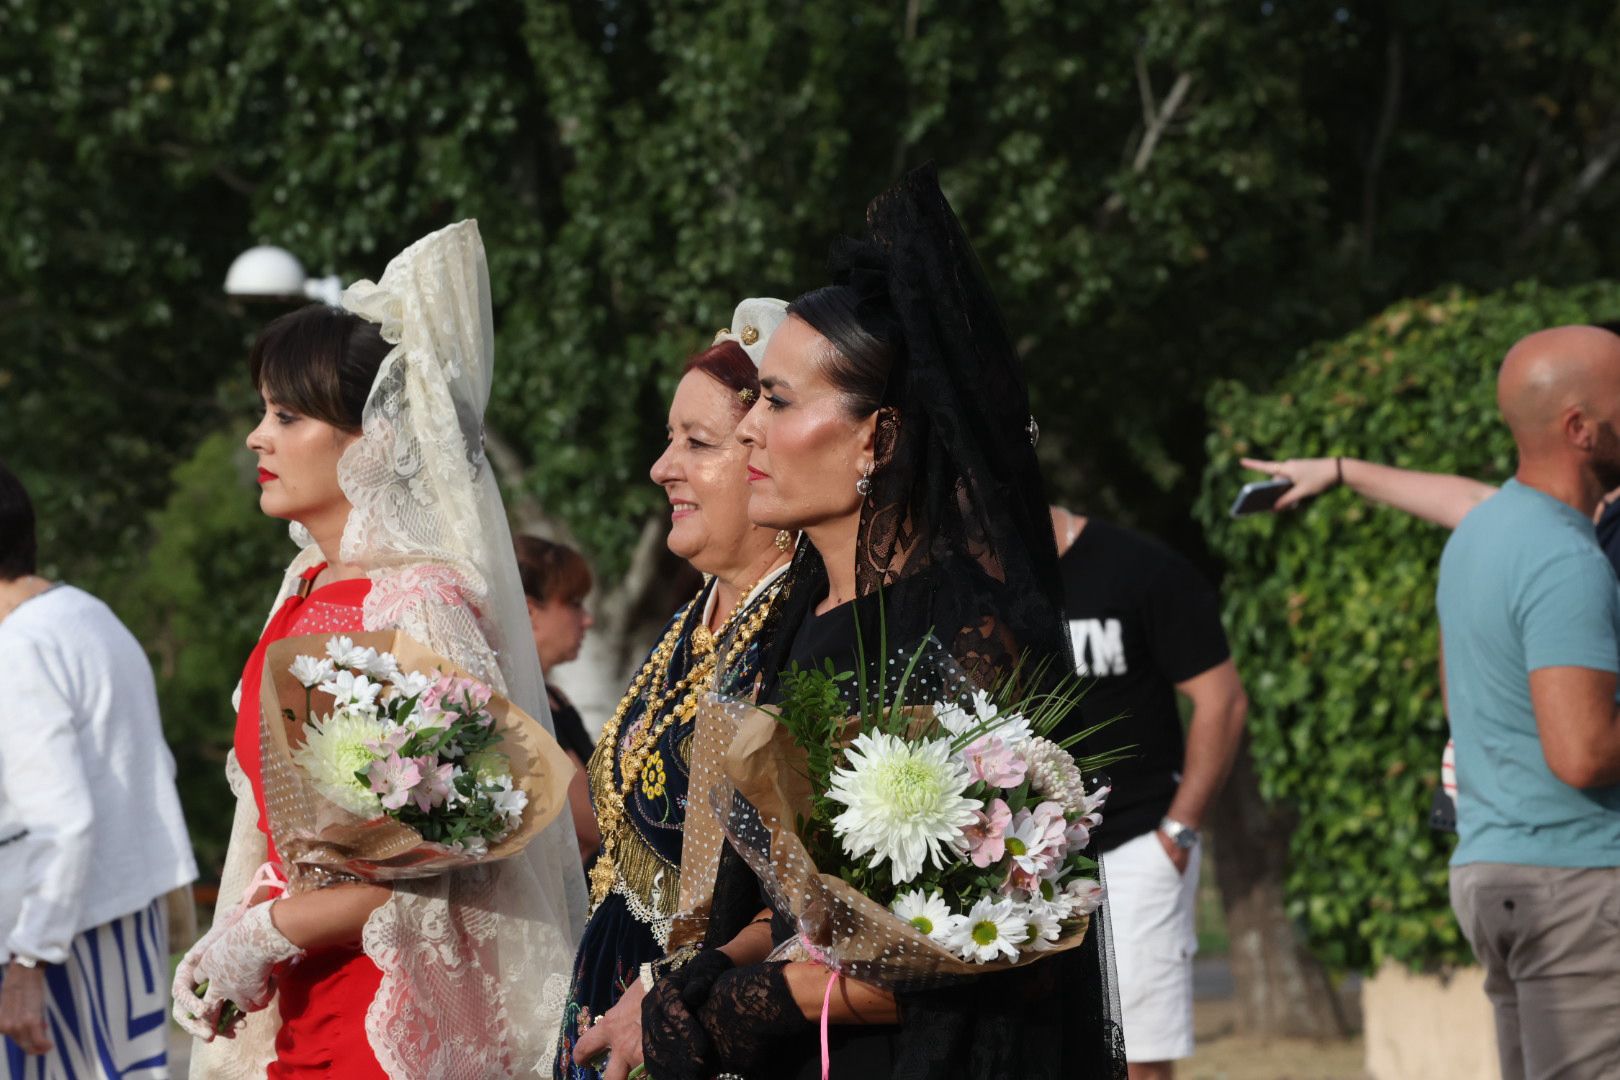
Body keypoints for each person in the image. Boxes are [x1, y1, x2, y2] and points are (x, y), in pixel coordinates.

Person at [640, 166, 1128, 1080]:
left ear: (878, 438)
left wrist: (739, 1005)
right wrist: (688, 985)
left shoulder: (962, 638)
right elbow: (791, 901)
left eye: (777, 401)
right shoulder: (790, 619)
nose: (748, 432)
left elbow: (987, 947)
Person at [171, 221, 586, 1079]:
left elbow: (458, 850)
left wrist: (266, 930)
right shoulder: (303, 591)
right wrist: (239, 927)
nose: (258, 437)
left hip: (388, 1011)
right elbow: (307, 838)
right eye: (263, 412)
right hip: (306, 1000)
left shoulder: (418, 602)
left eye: (286, 415)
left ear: (377, 440)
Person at [559, 299, 795, 1080]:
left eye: (697, 443)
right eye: (669, 440)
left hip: (694, 1028)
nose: (664, 468)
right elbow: (614, 816)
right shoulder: (691, 620)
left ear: (768, 459)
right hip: (613, 1002)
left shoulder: (793, 637)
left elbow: (799, 898)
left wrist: (670, 995)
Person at [1435, 325, 1620, 1079]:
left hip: (1494, 874)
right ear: (1581, 429)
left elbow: (1461, 701)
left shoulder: (1478, 535)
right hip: (1574, 890)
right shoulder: (1567, 557)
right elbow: (1580, 752)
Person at [0, 461, 197, 1079]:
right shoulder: (86, 614)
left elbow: (60, 823)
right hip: (120, 919)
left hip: (58, 939)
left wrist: (29, 960)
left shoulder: (18, 646)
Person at [1049, 506, 1247, 1079]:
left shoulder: (1137, 568)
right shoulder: (976, 576)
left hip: (1135, 845)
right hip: (1015, 859)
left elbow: (1223, 701)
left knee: (1136, 1061)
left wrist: (1178, 832)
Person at [515, 534, 603, 863]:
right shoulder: (522, 707)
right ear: (529, 611)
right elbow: (595, 824)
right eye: (574, 602)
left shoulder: (555, 700)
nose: (587, 620)